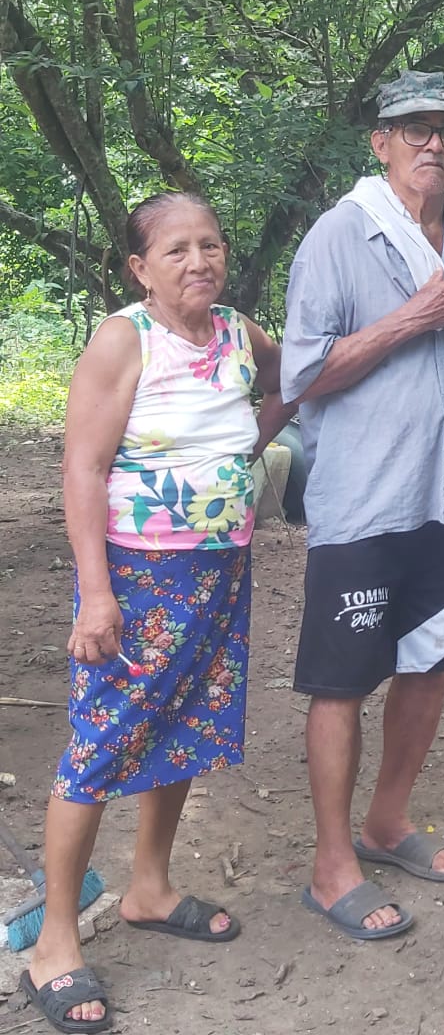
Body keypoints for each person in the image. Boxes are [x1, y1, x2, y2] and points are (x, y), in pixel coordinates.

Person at [21, 193, 288, 1034]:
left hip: (220, 572)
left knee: (182, 726)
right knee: (102, 744)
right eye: (176, 250)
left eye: (211, 244)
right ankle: (53, 943)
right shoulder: (124, 338)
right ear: (140, 268)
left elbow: (285, 381)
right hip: (138, 580)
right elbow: (83, 469)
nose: (199, 261)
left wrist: (244, 449)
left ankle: (149, 887)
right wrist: (95, 593)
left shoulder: (239, 332)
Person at [281, 70, 444, 941]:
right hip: (363, 499)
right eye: (414, 128)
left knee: (428, 664)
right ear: (380, 142)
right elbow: (304, 377)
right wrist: (410, 318)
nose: (433, 144)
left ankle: (387, 820)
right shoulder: (338, 236)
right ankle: (330, 863)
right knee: (341, 681)